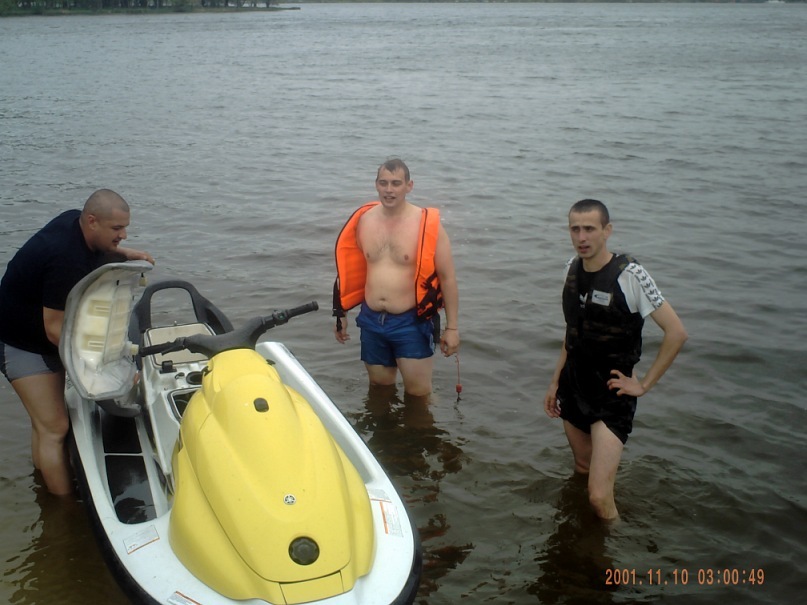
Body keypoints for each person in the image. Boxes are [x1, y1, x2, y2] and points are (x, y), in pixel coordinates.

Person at [0, 189, 154, 496]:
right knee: (55, 428)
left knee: (43, 424)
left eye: (125, 228)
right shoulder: (64, 259)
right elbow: (54, 329)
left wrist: (123, 253)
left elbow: (95, 252)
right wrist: (108, 368)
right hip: (20, 343)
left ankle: (42, 487)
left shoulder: (74, 221)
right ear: (92, 221)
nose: (123, 235)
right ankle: (64, 508)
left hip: (37, 334)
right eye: (116, 229)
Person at [544, 199, 687, 520]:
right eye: (575, 229)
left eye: (589, 229)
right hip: (574, 385)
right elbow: (572, 333)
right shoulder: (571, 270)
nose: (582, 237)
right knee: (582, 468)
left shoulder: (630, 275)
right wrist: (555, 383)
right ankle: (579, 534)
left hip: (612, 394)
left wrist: (644, 385)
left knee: (599, 497)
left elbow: (676, 333)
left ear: (607, 231)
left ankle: (614, 545)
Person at [332, 158, 459, 397]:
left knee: (419, 394)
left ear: (409, 186)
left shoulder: (426, 225)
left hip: (411, 322)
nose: (389, 189)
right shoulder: (363, 220)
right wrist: (340, 313)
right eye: (383, 183)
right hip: (371, 319)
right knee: (379, 389)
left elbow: (448, 278)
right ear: (376, 185)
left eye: (396, 183)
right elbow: (349, 270)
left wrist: (452, 328)